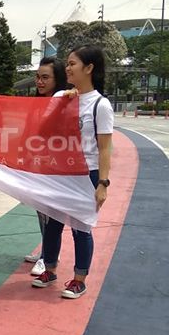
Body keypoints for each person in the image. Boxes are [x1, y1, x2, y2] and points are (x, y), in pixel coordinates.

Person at [31, 45, 114, 299]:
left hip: (86, 173)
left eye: (73, 64)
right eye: (66, 63)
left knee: (81, 228)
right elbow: (41, 130)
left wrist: (102, 183)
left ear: (89, 68)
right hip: (60, 172)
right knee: (53, 224)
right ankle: (50, 269)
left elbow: (105, 148)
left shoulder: (101, 105)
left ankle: (79, 279)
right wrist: (60, 105)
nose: (67, 68)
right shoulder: (61, 98)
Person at [25, 56, 69, 276]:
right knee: (41, 211)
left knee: (52, 215)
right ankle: (47, 249)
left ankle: (48, 256)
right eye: (38, 77)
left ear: (57, 79)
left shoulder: (64, 102)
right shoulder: (37, 103)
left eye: (45, 77)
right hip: (37, 165)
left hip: (56, 168)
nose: (40, 82)